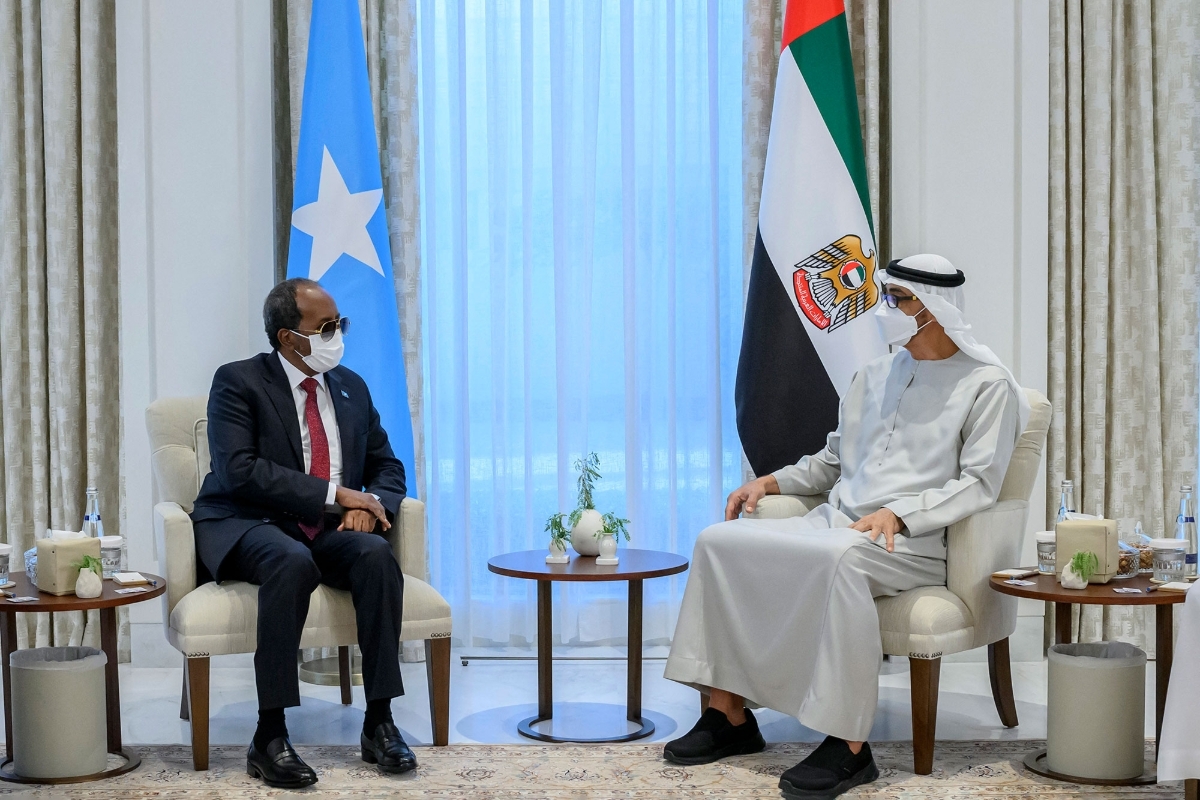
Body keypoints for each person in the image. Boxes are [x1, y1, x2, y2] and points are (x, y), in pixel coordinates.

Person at [662, 254, 1029, 799]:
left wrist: (901, 514)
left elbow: (980, 483)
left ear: (932, 309)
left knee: (837, 558)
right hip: (836, 524)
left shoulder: (987, 385)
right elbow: (832, 461)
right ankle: (729, 716)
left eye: (897, 300)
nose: (886, 310)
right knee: (718, 541)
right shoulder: (872, 375)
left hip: (910, 542)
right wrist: (771, 482)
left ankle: (850, 746)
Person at [191, 278, 413, 789]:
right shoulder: (237, 381)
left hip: (320, 526)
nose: (338, 335)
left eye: (341, 325)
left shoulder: (351, 387)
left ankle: (379, 721)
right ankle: (269, 736)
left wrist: (373, 504)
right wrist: (338, 496)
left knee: (376, 556)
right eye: (327, 327)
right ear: (290, 337)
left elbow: (388, 467)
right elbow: (239, 470)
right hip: (246, 520)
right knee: (291, 561)